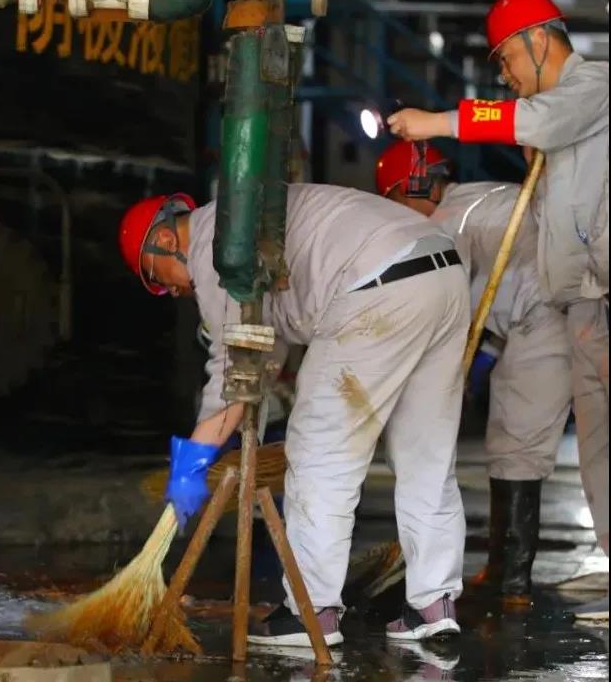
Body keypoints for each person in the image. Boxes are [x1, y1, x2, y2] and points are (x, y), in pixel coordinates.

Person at [119, 184, 470, 644]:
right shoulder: (245, 218)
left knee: (321, 454)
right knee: (426, 455)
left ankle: (311, 613)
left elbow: (232, 373)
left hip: (374, 285)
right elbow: (260, 356)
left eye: (157, 276)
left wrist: (191, 462)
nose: (168, 290)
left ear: (164, 240)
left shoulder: (218, 246)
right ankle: (432, 604)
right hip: (441, 271)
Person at [386, 0, 609, 620]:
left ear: (540, 38)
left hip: (603, 297)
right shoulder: (554, 119)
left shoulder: (593, 87)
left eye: (508, 57)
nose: (506, 74)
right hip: (585, 305)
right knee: (598, 454)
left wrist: (437, 122)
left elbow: (534, 120)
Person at [376, 140, 573, 603]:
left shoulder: (450, 222)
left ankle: (512, 582)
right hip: (536, 321)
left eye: (396, 201)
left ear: (413, 187)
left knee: (518, 446)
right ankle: (504, 571)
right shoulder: (478, 196)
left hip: (550, 320)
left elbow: (445, 305)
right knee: (511, 444)